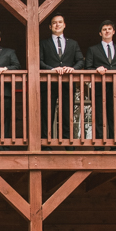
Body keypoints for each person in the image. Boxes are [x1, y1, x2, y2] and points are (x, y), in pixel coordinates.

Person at [85, 20, 116, 150]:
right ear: (100, 33)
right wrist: (96, 70)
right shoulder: (93, 49)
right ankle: (99, 146)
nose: (107, 31)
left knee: (114, 117)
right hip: (99, 88)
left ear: (113, 32)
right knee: (99, 117)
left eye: (109, 29)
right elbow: (87, 68)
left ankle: (115, 145)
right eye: (104, 29)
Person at [40, 13, 84, 150]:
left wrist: (72, 68)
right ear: (50, 26)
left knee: (68, 112)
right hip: (48, 83)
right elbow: (39, 62)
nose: (57, 24)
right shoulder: (43, 43)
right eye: (54, 23)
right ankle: (46, 144)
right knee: (47, 113)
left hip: (68, 83)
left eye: (60, 22)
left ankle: (68, 144)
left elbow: (80, 61)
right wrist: (53, 69)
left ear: (64, 25)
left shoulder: (73, 43)